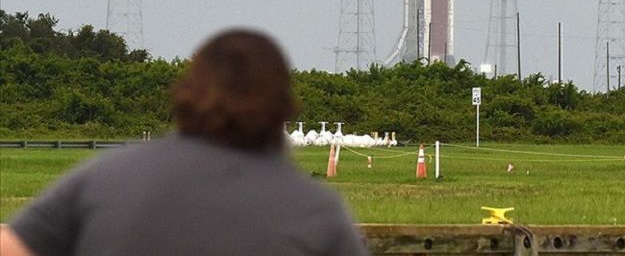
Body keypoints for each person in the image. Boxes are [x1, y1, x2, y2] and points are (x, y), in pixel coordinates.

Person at [1, 30, 368, 256]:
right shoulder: (316, 212)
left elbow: (11, 247)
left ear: (186, 93)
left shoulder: (105, 178)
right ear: (283, 106)